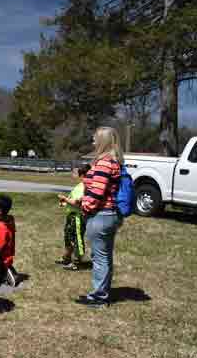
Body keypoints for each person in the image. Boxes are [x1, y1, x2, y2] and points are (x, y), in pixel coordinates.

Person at [76, 127, 123, 308]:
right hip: (109, 214)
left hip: (101, 215)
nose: (93, 142)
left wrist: (84, 206)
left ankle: (98, 298)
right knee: (104, 256)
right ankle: (101, 293)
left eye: (95, 139)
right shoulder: (113, 161)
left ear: (103, 141)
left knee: (100, 258)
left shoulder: (104, 162)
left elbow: (97, 192)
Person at [57, 164, 92, 270]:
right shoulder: (80, 185)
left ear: (82, 175)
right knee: (68, 238)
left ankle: (78, 262)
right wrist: (65, 202)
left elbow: (77, 203)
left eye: (78, 173)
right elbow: (73, 200)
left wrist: (65, 199)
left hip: (77, 217)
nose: (75, 175)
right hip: (71, 216)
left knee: (77, 239)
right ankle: (67, 258)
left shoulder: (84, 187)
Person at [0, 195, 18, 287]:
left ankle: (6, 272)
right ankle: (6, 269)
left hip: (1, 259)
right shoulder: (8, 220)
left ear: (0, 211)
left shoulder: (1, 227)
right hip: (6, 257)